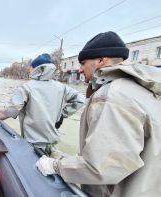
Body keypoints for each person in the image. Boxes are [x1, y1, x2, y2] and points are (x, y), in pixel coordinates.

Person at [36, 31, 161, 196]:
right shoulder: (144, 91)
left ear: (102, 60)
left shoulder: (112, 96)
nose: (80, 69)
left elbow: (102, 167)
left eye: (83, 62)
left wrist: (56, 166)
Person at [0, 53, 85, 157]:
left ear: (36, 69)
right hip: (51, 143)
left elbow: (10, 111)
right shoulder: (62, 87)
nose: (29, 70)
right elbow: (81, 99)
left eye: (30, 68)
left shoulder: (26, 88)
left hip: (33, 144)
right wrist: (62, 114)